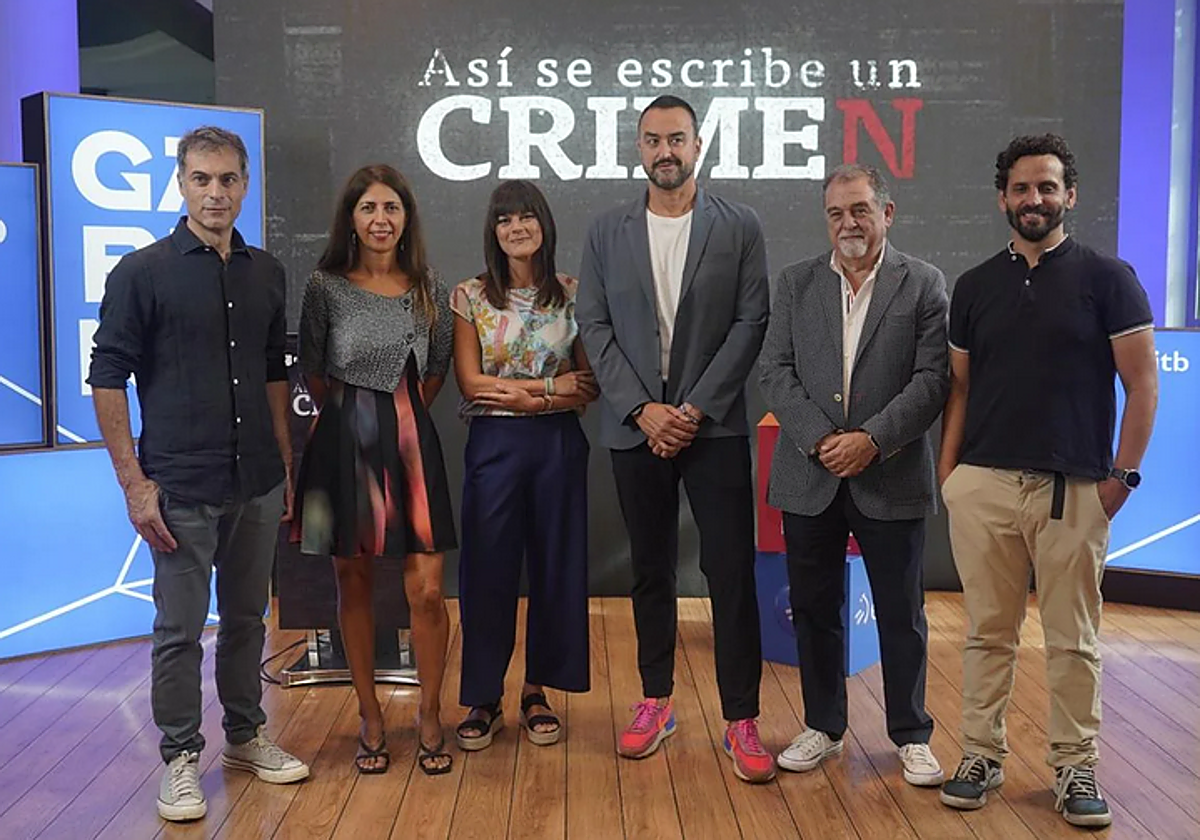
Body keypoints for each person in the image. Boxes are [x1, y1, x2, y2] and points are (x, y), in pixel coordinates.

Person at [89, 126, 309, 823]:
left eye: (229, 180)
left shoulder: (267, 272)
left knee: (248, 619)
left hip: (257, 480)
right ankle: (181, 756)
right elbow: (107, 378)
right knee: (178, 630)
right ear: (181, 184)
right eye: (202, 179)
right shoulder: (141, 272)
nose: (216, 193)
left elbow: (277, 371)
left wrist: (284, 463)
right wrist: (133, 481)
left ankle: (245, 736)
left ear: (245, 184)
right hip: (178, 485)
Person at [937, 135, 1157, 828]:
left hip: (1075, 490)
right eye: (1023, 188)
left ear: (1070, 195)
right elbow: (961, 388)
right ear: (1003, 197)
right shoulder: (973, 286)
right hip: (986, 488)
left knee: (1074, 638)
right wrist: (951, 476)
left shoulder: (1107, 277)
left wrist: (1122, 477)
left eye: (1048, 187)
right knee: (987, 634)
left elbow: (1143, 384)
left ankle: (1074, 766)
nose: (1036, 199)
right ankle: (980, 754)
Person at [577, 94, 773, 783]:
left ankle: (740, 717)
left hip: (712, 427)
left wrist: (689, 408)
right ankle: (656, 701)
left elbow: (752, 323)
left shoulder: (740, 226)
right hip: (637, 431)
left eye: (678, 139)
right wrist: (643, 411)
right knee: (650, 570)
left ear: (698, 145)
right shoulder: (605, 232)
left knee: (730, 572)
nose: (667, 150)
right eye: (654, 139)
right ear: (640, 149)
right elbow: (593, 327)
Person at [759, 163, 949, 787]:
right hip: (810, 473)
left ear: (887, 213)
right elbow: (775, 372)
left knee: (901, 611)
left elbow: (932, 381)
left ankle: (911, 733)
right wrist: (821, 439)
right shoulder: (794, 283)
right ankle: (823, 726)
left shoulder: (922, 284)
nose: (849, 223)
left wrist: (872, 441)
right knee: (812, 608)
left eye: (861, 209)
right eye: (837, 212)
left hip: (889, 472)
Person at [292, 164, 457, 776]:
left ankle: (431, 712)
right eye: (369, 208)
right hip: (341, 442)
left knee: (429, 590)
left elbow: (436, 368)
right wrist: (355, 418)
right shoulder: (325, 285)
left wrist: (400, 419)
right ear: (352, 220)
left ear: (406, 217)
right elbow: (312, 367)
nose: (381, 219)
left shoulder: (427, 285)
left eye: (392, 207)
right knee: (352, 581)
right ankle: (369, 715)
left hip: (412, 441)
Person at [450, 179, 597, 751]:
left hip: (559, 441)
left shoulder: (573, 293)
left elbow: (586, 386)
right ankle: (484, 696)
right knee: (488, 569)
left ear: (544, 225)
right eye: (505, 219)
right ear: (493, 231)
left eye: (527, 217)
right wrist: (547, 387)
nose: (517, 228)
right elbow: (471, 383)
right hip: (494, 445)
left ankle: (538, 690)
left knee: (556, 566)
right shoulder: (469, 296)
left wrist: (532, 394)